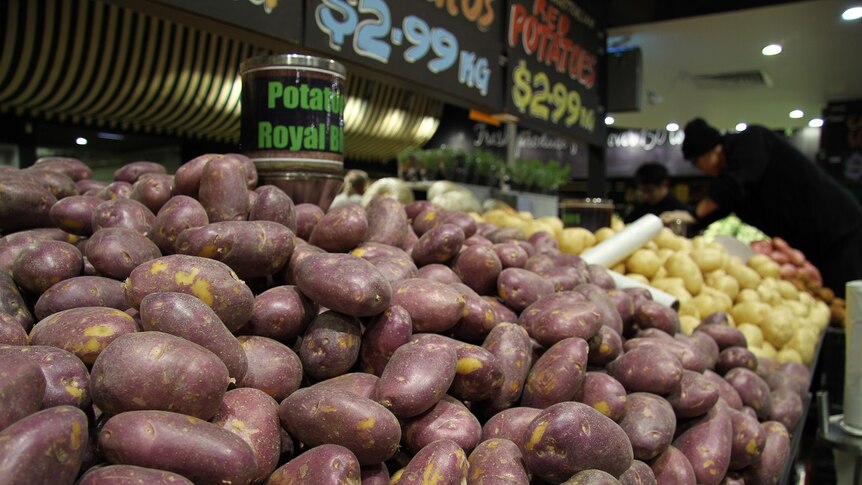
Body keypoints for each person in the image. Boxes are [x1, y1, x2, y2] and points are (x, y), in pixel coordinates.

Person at [681, 117, 862, 297]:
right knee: (824, 299)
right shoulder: (733, 177)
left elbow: (731, 188)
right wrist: (690, 220)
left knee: (846, 299)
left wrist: (694, 214)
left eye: (696, 164)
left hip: (837, 230)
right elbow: (721, 205)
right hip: (811, 243)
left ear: (706, 153)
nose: (700, 169)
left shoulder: (751, 141)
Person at [624, 162, 693, 223]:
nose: (646, 196)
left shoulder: (681, 211)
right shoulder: (640, 210)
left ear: (664, 184)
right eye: (643, 191)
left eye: (650, 191)